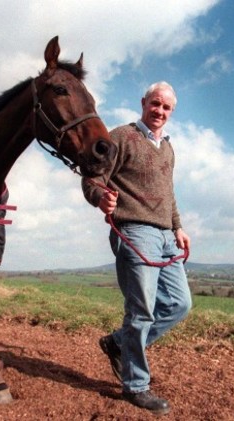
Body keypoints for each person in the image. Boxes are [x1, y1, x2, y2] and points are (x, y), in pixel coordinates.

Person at [81, 81, 192, 416]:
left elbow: (168, 193)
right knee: (141, 310)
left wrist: (178, 226)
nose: (159, 111)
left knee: (179, 304)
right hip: (134, 230)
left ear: (172, 112)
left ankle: (117, 343)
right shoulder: (120, 136)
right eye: (155, 104)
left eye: (167, 108)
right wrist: (100, 196)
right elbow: (91, 176)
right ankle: (136, 386)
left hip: (165, 235)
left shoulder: (168, 149)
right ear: (143, 102)